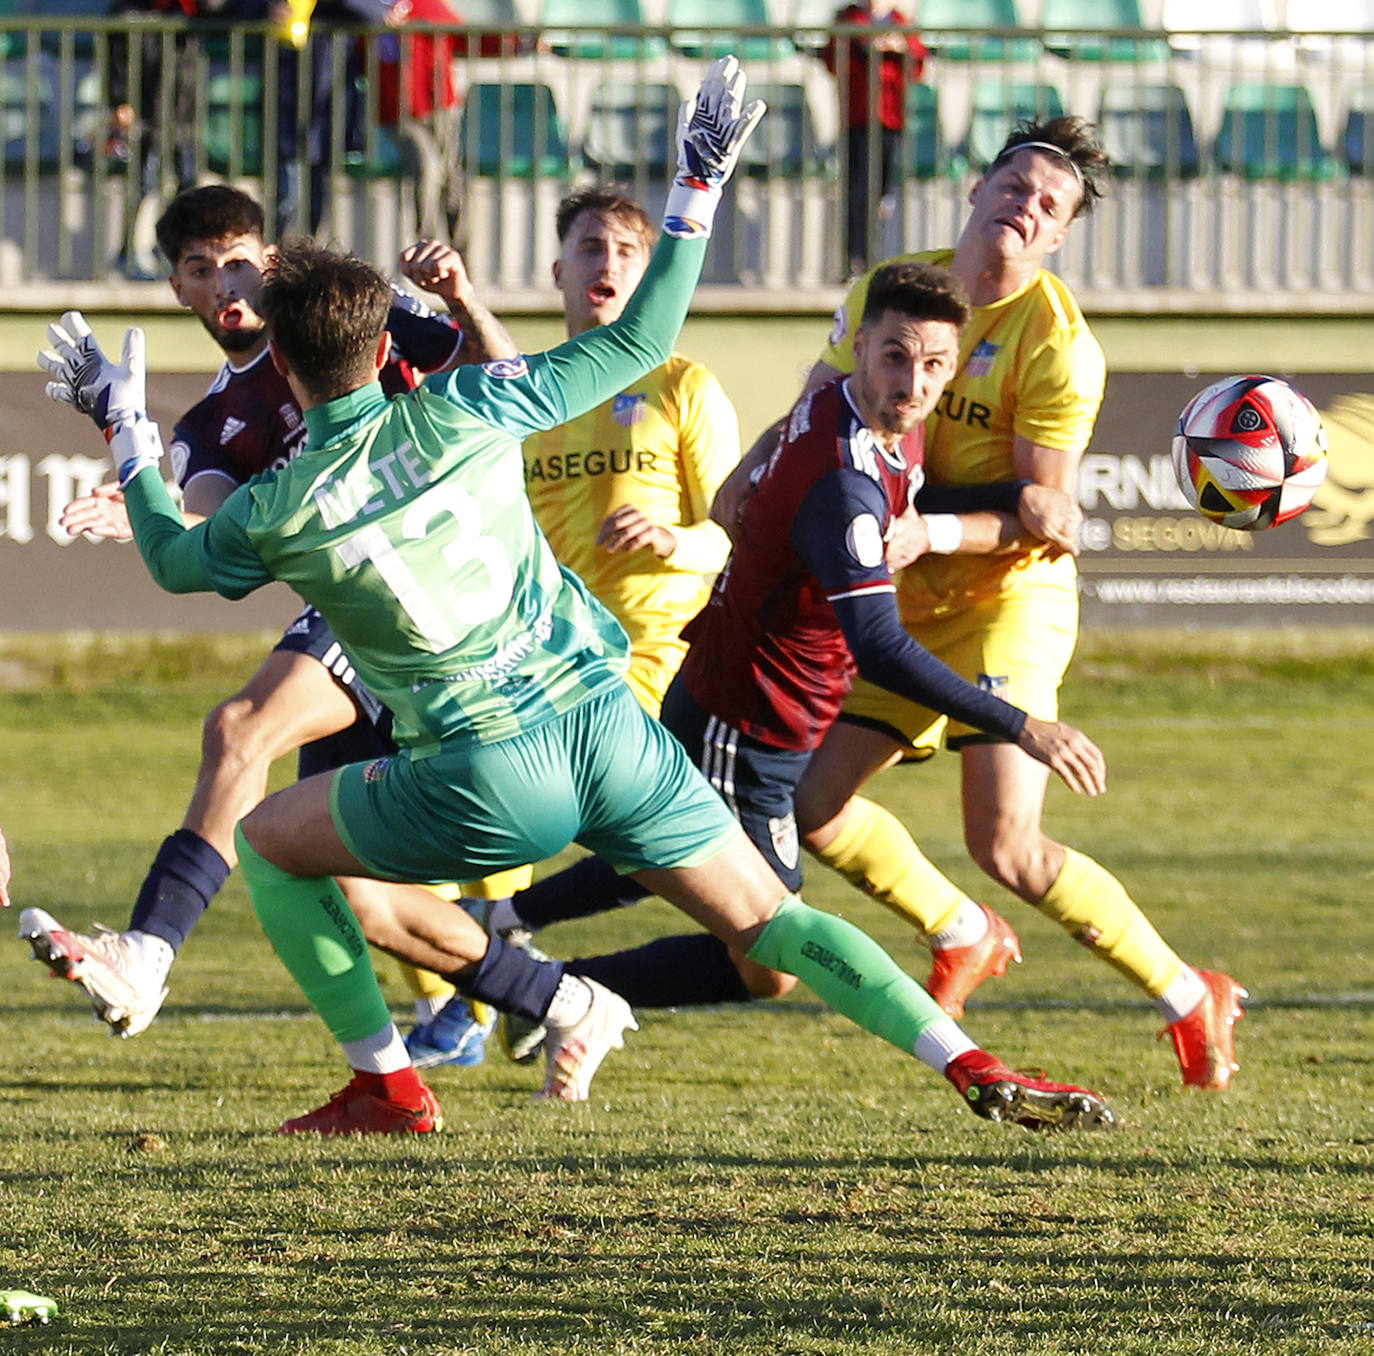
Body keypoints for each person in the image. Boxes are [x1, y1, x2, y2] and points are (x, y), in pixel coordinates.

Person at [38, 59, 1115, 1136]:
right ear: (383, 348)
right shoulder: (465, 403)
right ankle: (965, 1058)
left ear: (290, 360)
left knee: (272, 839)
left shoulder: (280, 505)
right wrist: (697, 184)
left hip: (486, 774)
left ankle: (389, 1084)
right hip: (611, 732)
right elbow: (643, 342)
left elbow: (178, 562)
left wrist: (123, 430)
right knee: (772, 921)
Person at [718, 116, 1247, 1091]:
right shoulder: (899, 289)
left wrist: (936, 533)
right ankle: (963, 934)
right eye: (1016, 184)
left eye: (1051, 203)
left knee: (1003, 841)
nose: (1027, 203)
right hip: (907, 585)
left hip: (1008, 600)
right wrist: (744, 480)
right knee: (813, 805)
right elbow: (814, 404)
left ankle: (1187, 992)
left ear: (1056, 238)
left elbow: (1044, 518)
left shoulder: (1057, 346)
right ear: (975, 191)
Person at [479, 259, 1104, 1037]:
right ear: (863, 343)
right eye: (896, 356)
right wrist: (1022, 725)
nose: (915, 384)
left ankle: (514, 937)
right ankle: (546, 985)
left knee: (676, 853)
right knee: (765, 956)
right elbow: (876, 645)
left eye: (937, 365)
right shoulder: (842, 480)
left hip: (743, 707)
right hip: (746, 725)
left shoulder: (857, 415)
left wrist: (1014, 497)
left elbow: (897, 487)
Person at [20, 184, 513, 1046]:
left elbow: (502, 378)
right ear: (178, 290)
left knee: (241, 731)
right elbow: (216, 529)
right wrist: (146, 491)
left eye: (238, 259)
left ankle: (147, 951)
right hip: (362, 609)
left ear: (271, 262)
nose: (224, 281)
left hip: (421, 587)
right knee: (326, 865)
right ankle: (550, 1000)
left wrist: (463, 299)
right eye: (200, 268)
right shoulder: (210, 424)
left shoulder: (352, 323)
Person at [399, 187, 740, 1066]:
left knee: (573, 824)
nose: (611, 265)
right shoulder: (532, 392)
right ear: (559, 270)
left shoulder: (683, 387)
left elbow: (737, 530)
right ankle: (498, 995)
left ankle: (500, 990)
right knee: (468, 808)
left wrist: (675, 537)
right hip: (539, 651)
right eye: (592, 248)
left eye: (630, 251)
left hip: (653, 653)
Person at [822, 1, 927, 278]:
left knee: (883, 195)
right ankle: (854, 260)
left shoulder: (900, 22)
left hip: (891, 120)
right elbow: (834, 60)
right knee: (856, 193)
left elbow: (916, 64)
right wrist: (868, 46)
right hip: (858, 119)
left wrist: (897, 48)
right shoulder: (848, 20)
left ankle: (877, 259)